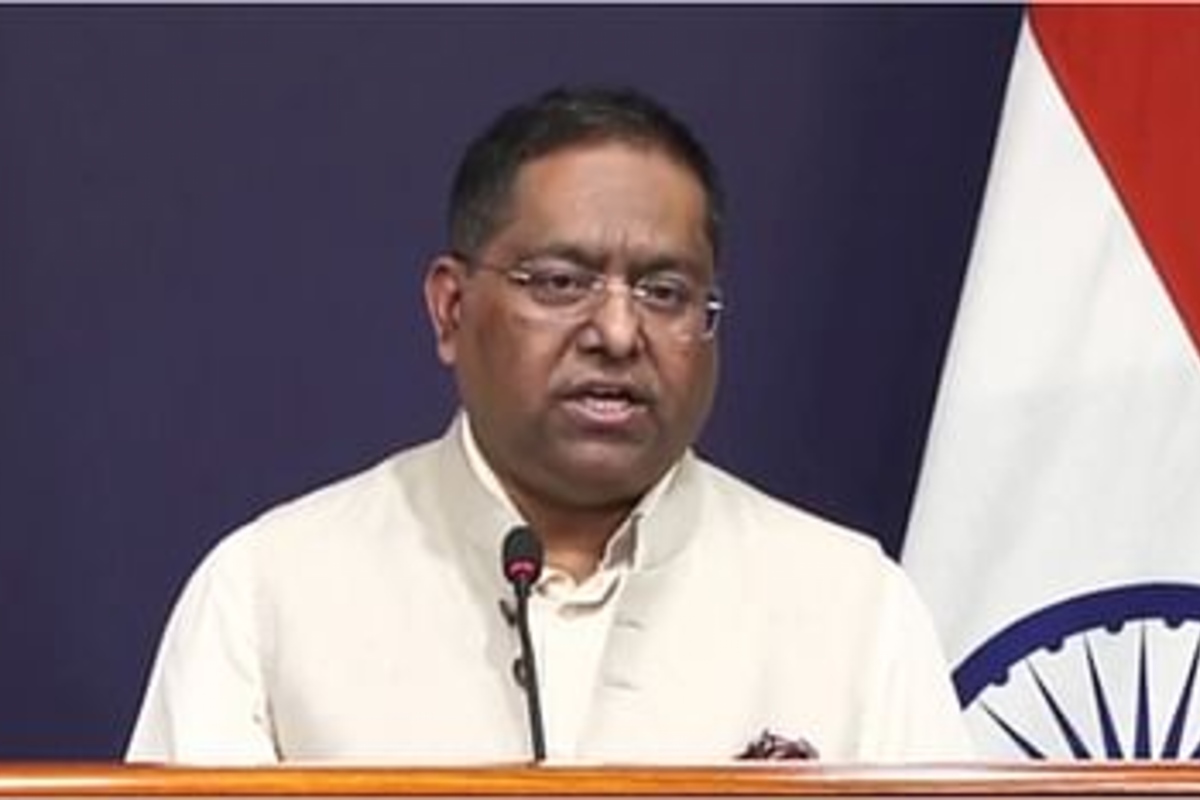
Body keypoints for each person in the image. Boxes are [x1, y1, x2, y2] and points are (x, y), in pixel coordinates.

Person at [126, 85, 972, 765]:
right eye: (562, 282)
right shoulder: (271, 593)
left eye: (665, 292)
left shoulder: (852, 606)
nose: (618, 333)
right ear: (451, 308)